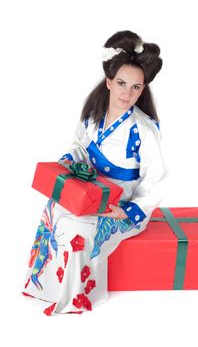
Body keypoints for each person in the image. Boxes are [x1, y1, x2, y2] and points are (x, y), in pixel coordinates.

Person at [22, 30, 170, 315]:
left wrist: (127, 211)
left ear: (143, 90)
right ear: (109, 82)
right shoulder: (93, 116)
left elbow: (158, 180)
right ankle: (43, 286)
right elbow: (79, 147)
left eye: (136, 87)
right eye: (122, 84)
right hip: (92, 193)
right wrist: (70, 162)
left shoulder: (144, 129)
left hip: (122, 205)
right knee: (53, 209)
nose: (128, 93)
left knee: (81, 228)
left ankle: (78, 297)